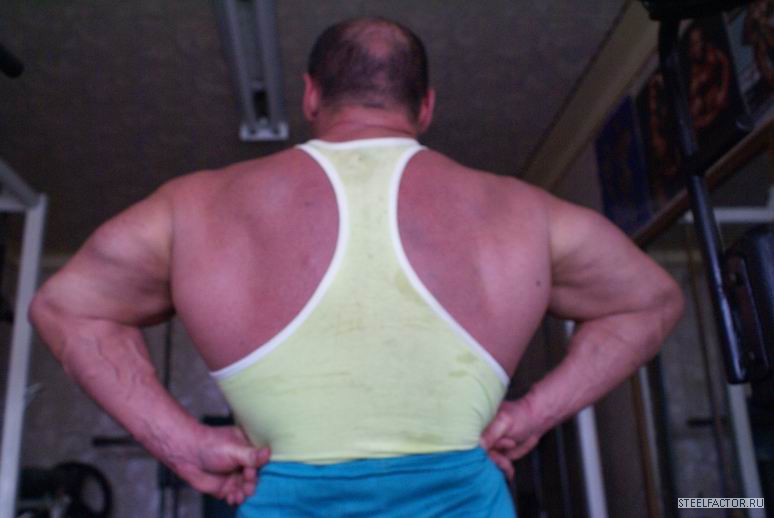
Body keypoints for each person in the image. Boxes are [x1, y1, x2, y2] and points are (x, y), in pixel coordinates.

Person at [29, 16, 684, 517]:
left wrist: (182, 443)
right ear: (426, 106)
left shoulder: (193, 208)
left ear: (311, 96)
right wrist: (532, 415)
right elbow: (652, 300)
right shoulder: (526, 213)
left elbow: (65, 307)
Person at [686, 25, 731, 131]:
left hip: (715, 92)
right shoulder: (692, 66)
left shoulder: (711, 51)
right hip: (702, 98)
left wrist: (723, 91)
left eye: (698, 42)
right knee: (695, 108)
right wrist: (698, 82)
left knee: (716, 99)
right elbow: (693, 92)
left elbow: (725, 63)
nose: (696, 47)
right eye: (693, 44)